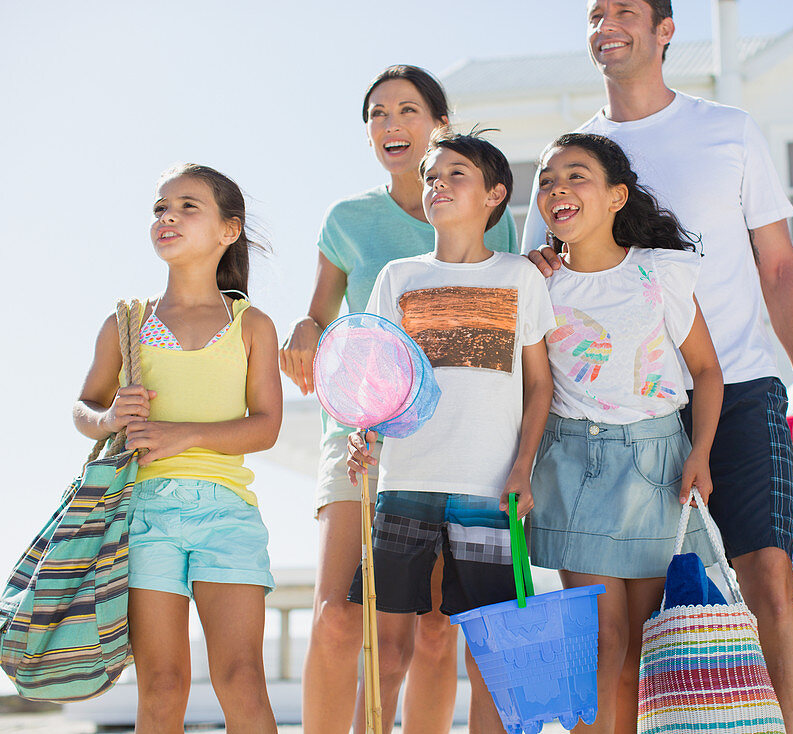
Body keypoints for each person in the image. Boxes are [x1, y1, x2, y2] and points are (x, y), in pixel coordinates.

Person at [524, 2, 793, 731]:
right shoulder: (571, 158)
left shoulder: (728, 131)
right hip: (623, 419)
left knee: (765, 579)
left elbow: (780, 268)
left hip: (740, 383)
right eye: (596, 13)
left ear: (665, 31)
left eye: (626, 9)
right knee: (638, 620)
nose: (607, 22)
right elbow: (540, 279)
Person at [278, 65, 517, 734]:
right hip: (362, 438)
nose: (391, 123)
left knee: (436, 631)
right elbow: (319, 315)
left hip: (453, 451)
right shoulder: (349, 220)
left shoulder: (491, 221)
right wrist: (302, 333)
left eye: (408, 110)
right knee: (336, 617)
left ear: (439, 124)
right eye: (378, 112)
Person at [346, 130, 555, 734]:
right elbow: (381, 381)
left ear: (495, 195)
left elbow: (539, 384)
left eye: (455, 174)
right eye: (431, 175)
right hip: (404, 481)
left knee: (490, 654)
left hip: (488, 490)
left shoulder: (520, 277)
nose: (437, 184)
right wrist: (366, 433)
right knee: (386, 653)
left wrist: (522, 468)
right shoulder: (398, 277)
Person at [528, 132, 726, 733]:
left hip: (655, 464)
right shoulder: (533, 283)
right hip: (572, 464)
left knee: (642, 648)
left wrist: (702, 454)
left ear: (616, 196)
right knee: (600, 643)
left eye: (576, 175)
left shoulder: (657, 273)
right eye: (546, 179)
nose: (557, 187)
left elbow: (708, 371)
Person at [73, 164, 282, 732]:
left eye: (188, 206)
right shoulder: (127, 324)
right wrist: (110, 416)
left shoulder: (253, 325)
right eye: (161, 207)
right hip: (144, 518)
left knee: (241, 679)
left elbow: (265, 427)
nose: (168, 217)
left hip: (228, 515)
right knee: (162, 686)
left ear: (228, 230)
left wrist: (178, 434)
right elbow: (83, 409)